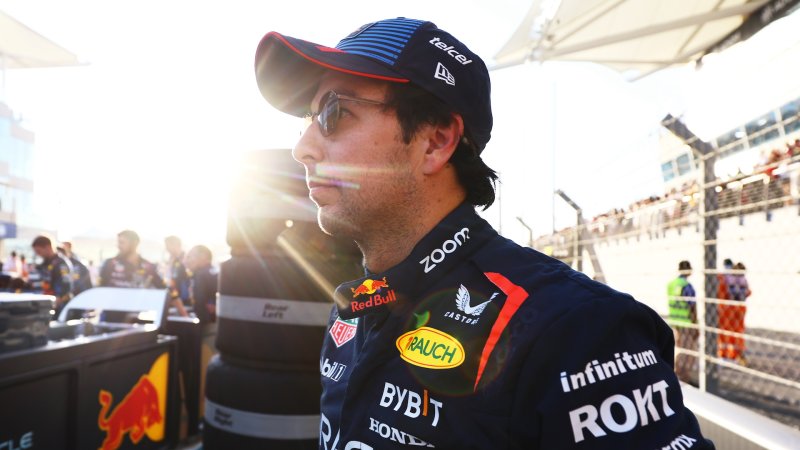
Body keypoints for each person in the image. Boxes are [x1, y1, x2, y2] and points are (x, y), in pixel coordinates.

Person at [254, 17, 714, 449]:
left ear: (435, 141)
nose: (302, 148)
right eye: (307, 120)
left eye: (334, 113)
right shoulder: (353, 308)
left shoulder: (575, 331)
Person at [98, 230, 165, 289]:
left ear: (135, 243)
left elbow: (162, 289)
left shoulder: (149, 267)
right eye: (118, 242)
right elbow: (99, 290)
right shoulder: (110, 264)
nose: (118, 246)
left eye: (122, 242)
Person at [667, 260, 697, 381]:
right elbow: (692, 307)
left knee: (678, 347)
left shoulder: (671, 284)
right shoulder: (687, 286)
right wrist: (695, 324)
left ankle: (676, 370)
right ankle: (684, 374)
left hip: (675, 320)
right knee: (689, 349)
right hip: (686, 321)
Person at [31, 236, 74, 316]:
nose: (38, 254)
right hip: (44, 306)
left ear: (47, 247)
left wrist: (56, 302)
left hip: (59, 308)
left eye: (39, 251)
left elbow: (66, 286)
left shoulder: (61, 263)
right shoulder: (42, 265)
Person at [719, 262, 751, 364]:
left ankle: (725, 355)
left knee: (726, 333)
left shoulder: (727, 279)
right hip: (740, 307)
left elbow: (724, 292)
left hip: (729, 308)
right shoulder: (744, 280)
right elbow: (748, 292)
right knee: (738, 333)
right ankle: (736, 355)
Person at [185, 245, 217, 324]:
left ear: (203, 257)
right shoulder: (214, 272)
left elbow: (201, 303)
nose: (187, 261)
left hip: (207, 323)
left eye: (190, 256)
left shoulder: (201, 275)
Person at [164, 235, 191, 307]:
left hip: (184, 299)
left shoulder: (186, 259)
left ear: (177, 245)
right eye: (166, 246)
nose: (167, 248)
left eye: (168, 245)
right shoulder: (170, 260)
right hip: (173, 297)